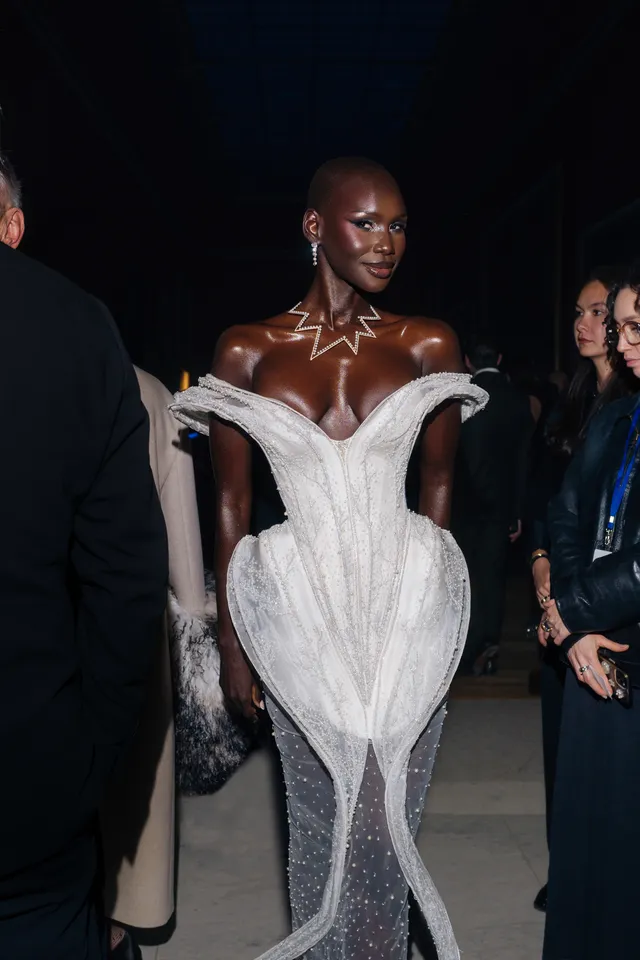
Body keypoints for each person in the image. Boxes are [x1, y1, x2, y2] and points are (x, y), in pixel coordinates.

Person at [171, 156, 486, 960]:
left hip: (401, 614)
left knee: (382, 824)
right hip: (300, 617)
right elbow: (231, 507)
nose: (387, 242)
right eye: (366, 222)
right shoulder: (248, 350)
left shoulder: (427, 343)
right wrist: (234, 645)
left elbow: (439, 487)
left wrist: (437, 617)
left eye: (399, 225)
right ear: (315, 227)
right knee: (320, 816)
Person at [0, 173, 168, 958]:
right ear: (12, 225)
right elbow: (126, 580)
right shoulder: (73, 323)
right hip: (30, 775)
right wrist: (93, 754)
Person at [540, 262, 640, 960]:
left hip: (627, 644)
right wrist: (576, 627)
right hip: (594, 650)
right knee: (586, 843)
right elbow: (567, 512)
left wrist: (570, 609)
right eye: (620, 326)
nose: (621, 341)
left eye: (635, 327)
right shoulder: (616, 414)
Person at [100, 368, 210, 959]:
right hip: (130, 609)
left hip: (36, 602)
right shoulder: (152, 391)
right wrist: (192, 605)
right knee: (130, 772)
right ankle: (117, 918)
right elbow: (179, 520)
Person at [452, 338, 533, 675]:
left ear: (468, 361)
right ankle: (488, 644)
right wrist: (518, 511)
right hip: (501, 504)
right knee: (493, 576)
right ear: (499, 358)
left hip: (464, 504)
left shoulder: (460, 396)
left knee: (465, 577)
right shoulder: (517, 399)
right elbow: (524, 461)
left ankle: (466, 647)